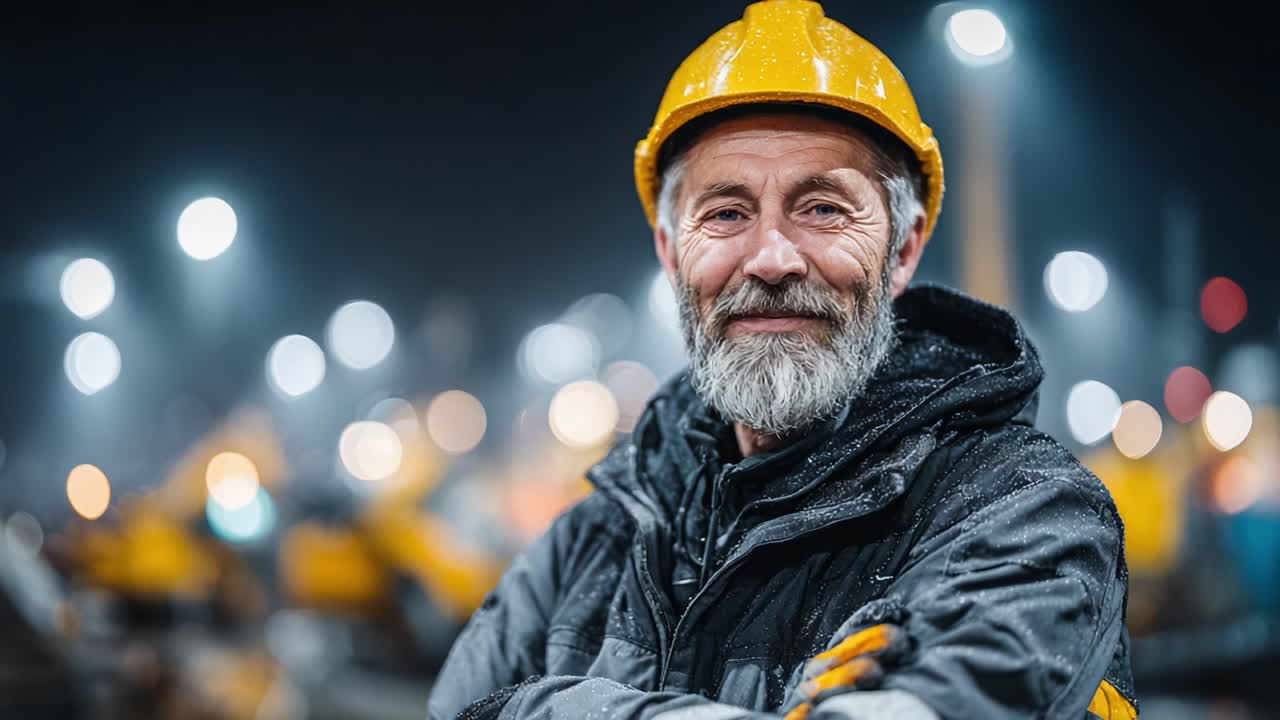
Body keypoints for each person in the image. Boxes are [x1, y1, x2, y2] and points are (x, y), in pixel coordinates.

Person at [427, 1, 1137, 718]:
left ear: (903, 250)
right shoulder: (592, 541)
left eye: (823, 207)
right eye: (727, 214)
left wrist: (546, 709)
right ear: (673, 254)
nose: (771, 259)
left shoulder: (1023, 509)